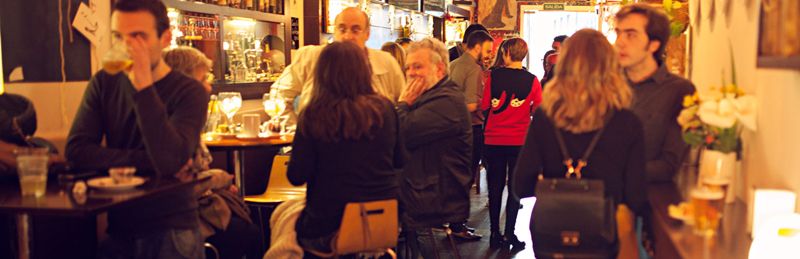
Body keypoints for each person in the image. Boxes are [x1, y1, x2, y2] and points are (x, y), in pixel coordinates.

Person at [65, 0, 209, 258]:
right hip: (119, 225)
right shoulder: (104, 82)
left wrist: (143, 86)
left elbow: (169, 160)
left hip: (171, 228)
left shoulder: (190, 91)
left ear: (165, 38)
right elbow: (76, 151)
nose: (127, 46)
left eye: (138, 36)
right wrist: (144, 160)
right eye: (118, 36)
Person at [513, 29, 647, 257]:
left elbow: (521, 187)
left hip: (550, 234)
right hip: (603, 234)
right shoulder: (628, 122)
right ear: (610, 67)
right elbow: (635, 197)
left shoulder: (546, 118)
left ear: (564, 65)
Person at [286, 41, 404, 256]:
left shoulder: (313, 114)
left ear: (323, 73)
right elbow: (400, 160)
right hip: (385, 220)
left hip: (328, 227)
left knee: (286, 224)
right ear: (364, 70)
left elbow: (296, 176)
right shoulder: (386, 109)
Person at [163, 46, 260, 259]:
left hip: (191, 210)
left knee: (245, 221)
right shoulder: (167, 125)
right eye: (202, 79)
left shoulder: (181, 116)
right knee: (249, 233)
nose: (208, 87)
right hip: (176, 220)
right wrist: (218, 180)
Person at [271, 7, 406, 132]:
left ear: (367, 34)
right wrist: (294, 129)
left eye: (355, 30)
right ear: (334, 31)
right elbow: (279, 94)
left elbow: (401, 103)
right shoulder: (310, 57)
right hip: (320, 142)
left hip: (371, 144)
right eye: (342, 29)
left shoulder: (386, 63)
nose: (347, 36)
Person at [397, 38, 472, 258]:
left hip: (433, 195)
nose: (411, 73)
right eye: (408, 67)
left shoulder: (446, 100)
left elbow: (400, 134)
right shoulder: (432, 95)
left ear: (439, 68)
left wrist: (402, 104)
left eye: (417, 66)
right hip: (423, 187)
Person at [614, 4, 696, 183]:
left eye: (630, 35)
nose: (619, 42)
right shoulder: (606, 85)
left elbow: (668, 165)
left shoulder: (679, 91)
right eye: (618, 33)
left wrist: (610, 172)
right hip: (595, 200)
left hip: (650, 199)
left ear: (653, 44)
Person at [480, 37, 541, 250]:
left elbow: (485, 105)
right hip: (519, 141)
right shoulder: (532, 80)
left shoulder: (492, 77)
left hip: (493, 140)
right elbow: (537, 111)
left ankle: (494, 233)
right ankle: (510, 234)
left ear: (506, 52)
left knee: (495, 188)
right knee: (515, 189)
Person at [447, 30, 494, 241]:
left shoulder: (454, 64)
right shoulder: (474, 69)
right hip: (470, 128)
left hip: (451, 128)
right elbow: (472, 104)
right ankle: (458, 225)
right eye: (487, 49)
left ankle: (454, 221)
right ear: (477, 46)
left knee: (457, 176)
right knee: (466, 177)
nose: (489, 54)